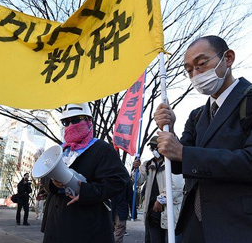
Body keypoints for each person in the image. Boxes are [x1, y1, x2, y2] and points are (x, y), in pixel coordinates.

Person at [154, 35, 252, 243]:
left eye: (201, 64)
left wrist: (182, 152)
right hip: (196, 229)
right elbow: (181, 163)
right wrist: (168, 128)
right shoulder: (197, 115)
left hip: (250, 229)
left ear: (228, 58)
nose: (196, 74)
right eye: (189, 70)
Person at [41, 103, 129, 243]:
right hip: (55, 225)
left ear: (89, 121)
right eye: (65, 122)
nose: (70, 125)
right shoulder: (60, 150)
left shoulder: (102, 148)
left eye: (75, 120)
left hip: (87, 227)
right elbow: (44, 178)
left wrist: (87, 192)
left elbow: (119, 180)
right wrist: (52, 183)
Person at [131, 136, 184, 243]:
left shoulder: (173, 163)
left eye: (155, 147)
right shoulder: (147, 165)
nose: (154, 150)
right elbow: (139, 181)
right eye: (152, 148)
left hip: (169, 212)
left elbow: (177, 186)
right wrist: (135, 169)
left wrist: (160, 200)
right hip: (152, 213)